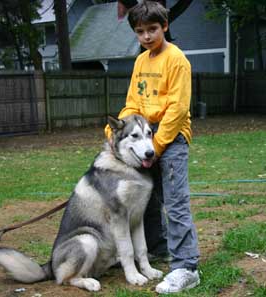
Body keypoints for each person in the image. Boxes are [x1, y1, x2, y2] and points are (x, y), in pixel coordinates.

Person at [105, 0, 200, 294]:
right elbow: (133, 103)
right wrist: (116, 129)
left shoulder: (177, 60)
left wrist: (157, 146)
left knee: (175, 202)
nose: (146, 36)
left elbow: (178, 110)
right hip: (143, 136)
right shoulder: (140, 61)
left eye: (152, 30)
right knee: (144, 197)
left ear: (165, 27)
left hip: (171, 137)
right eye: (140, 31)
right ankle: (157, 249)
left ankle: (186, 267)